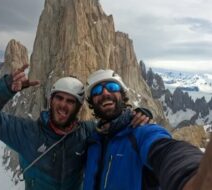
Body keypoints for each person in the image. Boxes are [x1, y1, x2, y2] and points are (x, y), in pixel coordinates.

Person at [0, 64, 150, 190]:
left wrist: (137, 115)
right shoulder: (27, 132)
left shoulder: (86, 132)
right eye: (59, 98)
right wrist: (6, 88)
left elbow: (112, 124)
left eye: (70, 101)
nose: (63, 106)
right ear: (51, 100)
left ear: (78, 107)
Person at [83, 69, 211, 190]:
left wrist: (193, 175)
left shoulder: (140, 132)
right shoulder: (92, 140)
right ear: (92, 102)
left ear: (122, 95)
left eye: (112, 87)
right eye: (97, 90)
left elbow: (165, 150)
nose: (105, 93)